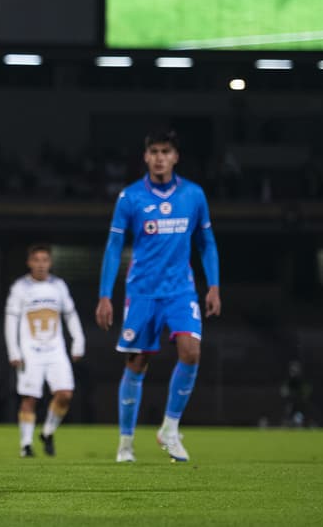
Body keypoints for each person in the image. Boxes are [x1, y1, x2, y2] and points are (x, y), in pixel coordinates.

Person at [96, 129, 221, 463]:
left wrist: (214, 286)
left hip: (181, 291)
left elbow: (206, 243)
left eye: (166, 151)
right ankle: (125, 443)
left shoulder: (193, 195)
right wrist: (105, 295)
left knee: (191, 351)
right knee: (136, 363)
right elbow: (113, 247)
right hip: (142, 293)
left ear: (175, 157)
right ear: (146, 157)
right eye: (154, 151)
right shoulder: (131, 198)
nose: (160, 157)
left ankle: (170, 427)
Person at [4, 244, 84, 457]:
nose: (40, 264)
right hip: (30, 351)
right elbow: (11, 320)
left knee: (65, 395)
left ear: (50, 262)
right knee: (30, 398)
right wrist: (14, 350)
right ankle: (26, 445)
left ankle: (47, 432)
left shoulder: (58, 286)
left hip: (55, 350)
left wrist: (78, 341)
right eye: (36, 260)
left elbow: (70, 314)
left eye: (44, 260)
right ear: (29, 262)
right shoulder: (20, 287)